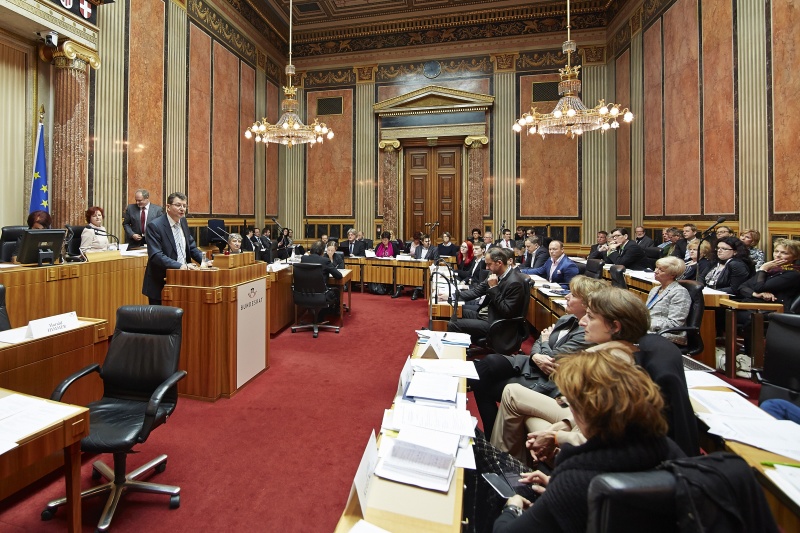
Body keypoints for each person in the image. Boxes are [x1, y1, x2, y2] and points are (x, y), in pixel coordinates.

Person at [493, 349, 685, 533]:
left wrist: (512, 507)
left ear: (586, 414)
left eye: (569, 404)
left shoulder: (575, 481)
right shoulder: (670, 451)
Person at [469, 276, 605, 441]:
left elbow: (552, 358)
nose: (567, 296)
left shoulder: (586, 334)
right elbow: (539, 340)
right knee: (490, 362)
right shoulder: (565, 319)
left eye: (573, 294)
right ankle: (464, 383)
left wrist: (544, 344)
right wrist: (537, 353)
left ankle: (490, 436)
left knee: (483, 384)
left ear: (586, 303)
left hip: (547, 378)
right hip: (532, 363)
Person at [447, 247, 528, 352]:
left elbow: (507, 311)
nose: (487, 267)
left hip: (497, 322)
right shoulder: (493, 274)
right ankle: (463, 344)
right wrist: (453, 296)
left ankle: (456, 356)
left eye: (489, 264)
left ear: (499, 263)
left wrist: (494, 288)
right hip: (487, 313)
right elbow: (476, 291)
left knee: (453, 324)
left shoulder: (514, 282)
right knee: (456, 311)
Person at [142, 192, 206, 305]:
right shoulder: (155, 226)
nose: (182, 209)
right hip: (161, 283)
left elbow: (191, 247)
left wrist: (205, 262)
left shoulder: (183, 222)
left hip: (184, 280)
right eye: (178, 205)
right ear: (168, 207)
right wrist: (181, 266)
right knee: (161, 321)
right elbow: (156, 255)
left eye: (184, 206)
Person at [646, 256, 690, 345]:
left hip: (667, 335)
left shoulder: (679, 292)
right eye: (656, 268)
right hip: (649, 330)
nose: (655, 271)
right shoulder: (655, 290)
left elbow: (675, 324)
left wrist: (646, 323)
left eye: (661, 270)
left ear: (672, 275)